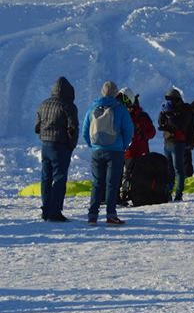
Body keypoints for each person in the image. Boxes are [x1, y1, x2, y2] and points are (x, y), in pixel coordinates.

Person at [80, 81, 134, 224]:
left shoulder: (93, 107)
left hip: (97, 151)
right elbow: (129, 130)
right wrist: (123, 146)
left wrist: (94, 145)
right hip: (115, 151)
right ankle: (110, 215)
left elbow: (85, 131)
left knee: (97, 183)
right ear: (116, 93)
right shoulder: (120, 109)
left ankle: (92, 215)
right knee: (112, 183)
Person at [34, 76, 79, 222]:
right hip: (60, 145)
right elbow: (72, 128)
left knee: (46, 178)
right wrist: (71, 145)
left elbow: (37, 127)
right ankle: (55, 212)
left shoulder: (43, 104)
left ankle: (46, 209)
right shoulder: (68, 106)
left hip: (45, 145)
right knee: (59, 178)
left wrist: (44, 136)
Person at [158, 88, 191, 202]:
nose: (169, 102)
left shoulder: (184, 110)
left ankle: (178, 194)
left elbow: (181, 126)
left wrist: (170, 116)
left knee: (179, 169)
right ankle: (168, 192)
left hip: (178, 143)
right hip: (167, 142)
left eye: (171, 100)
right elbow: (160, 123)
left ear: (177, 100)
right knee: (169, 169)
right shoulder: (168, 110)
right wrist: (163, 114)